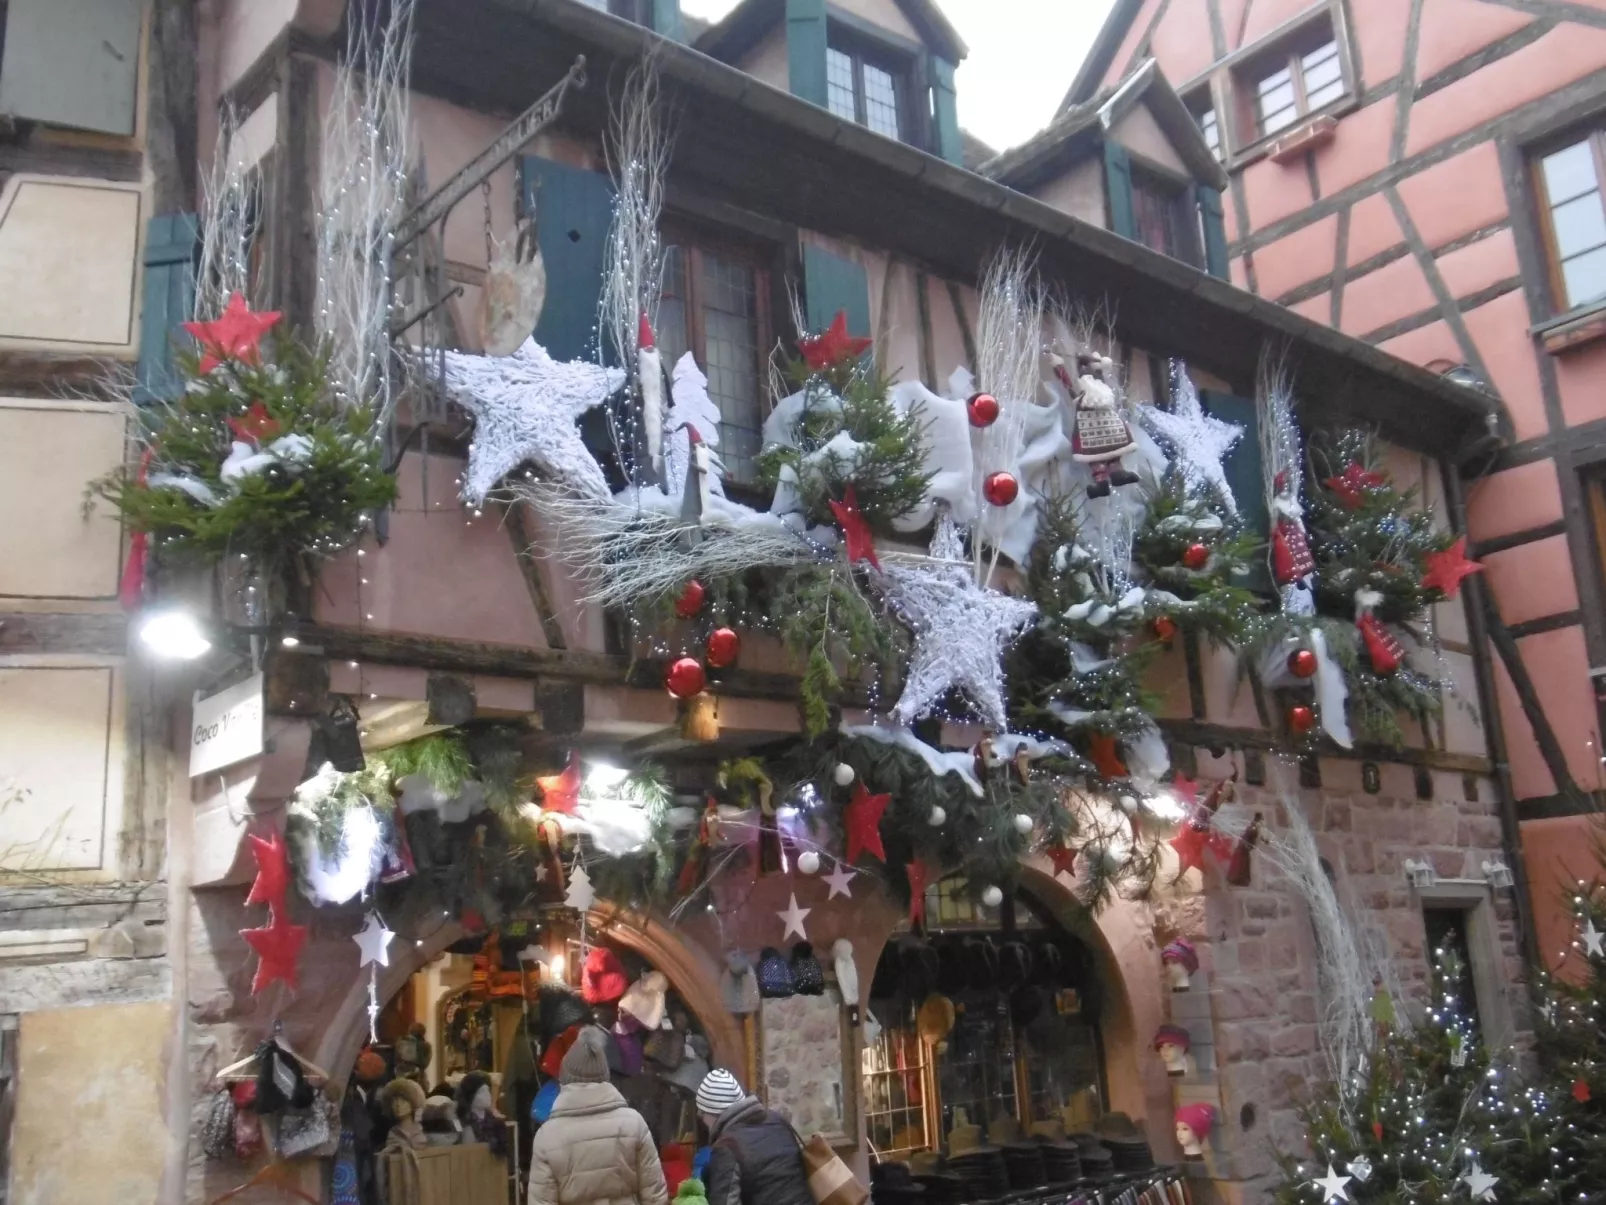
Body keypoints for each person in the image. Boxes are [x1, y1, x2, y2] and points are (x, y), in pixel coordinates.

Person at [528, 1025, 669, 1205]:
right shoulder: (633, 1124)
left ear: (565, 1077)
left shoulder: (547, 1136)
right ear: (605, 1075)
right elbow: (655, 1195)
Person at [695, 1069, 812, 1205]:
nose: (701, 1119)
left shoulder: (727, 1148)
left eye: (702, 1113)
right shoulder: (778, 1121)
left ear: (712, 1113)